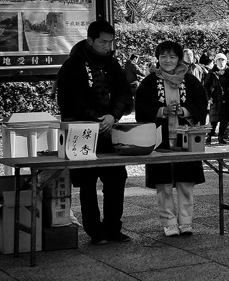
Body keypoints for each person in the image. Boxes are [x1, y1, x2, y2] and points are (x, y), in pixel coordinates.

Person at [55, 20, 134, 245]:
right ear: (90, 40)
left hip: (110, 129)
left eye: (111, 42)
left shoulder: (113, 64)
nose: (108, 47)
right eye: (103, 42)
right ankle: (94, 231)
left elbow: (123, 94)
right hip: (83, 131)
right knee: (88, 181)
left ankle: (113, 227)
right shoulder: (73, 65)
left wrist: (112, 116)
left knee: (117, 178)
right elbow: (72, 99)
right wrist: (95, 119)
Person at [135, 40, 209, 236]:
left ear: (179, 59)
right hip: (161, 140)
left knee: (186, 182)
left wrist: (184, 110)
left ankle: (186, 221)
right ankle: (168, 221)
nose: (167, 60)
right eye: (163, 56)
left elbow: (201, 103)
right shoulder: (149, 82)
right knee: (164, 183)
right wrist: (161, 111)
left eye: (172, 57)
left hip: (186, 139)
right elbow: (141, 108)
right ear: (158, 58)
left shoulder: (191, 80)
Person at [204, 53, 228, 144]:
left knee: (224, 119)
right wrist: (209, 97)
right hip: (215, 97)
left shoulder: (228, 72)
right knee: (213, 119)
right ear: (216, 61)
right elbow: (206, 86)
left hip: (226, 98)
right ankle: (209, 136)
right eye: (219, 60)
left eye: (223, 60)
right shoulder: (211, 72)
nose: (221, 62)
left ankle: (221, 136)